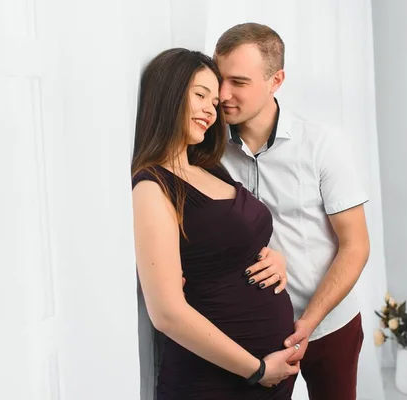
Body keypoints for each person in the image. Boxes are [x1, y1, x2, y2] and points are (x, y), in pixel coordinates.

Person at [131, 48, 300, 400]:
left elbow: (230, 246)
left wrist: (274, 257)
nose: (212, 109)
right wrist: (258, 370)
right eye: (200, 95)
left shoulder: (208, 167)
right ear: (169, 95)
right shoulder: (152, 186)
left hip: (267, 376)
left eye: (215, 100)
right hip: (215, 381)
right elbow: (166, 313)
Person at [214, 23, 371, 400]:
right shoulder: (208, 150)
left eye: (239, 82)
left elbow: (356, 246)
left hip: (329, 325)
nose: (222, 95)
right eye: (219, 79)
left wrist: (309, 322)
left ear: (276, 80)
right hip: (250, 334)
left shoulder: (323, 145)